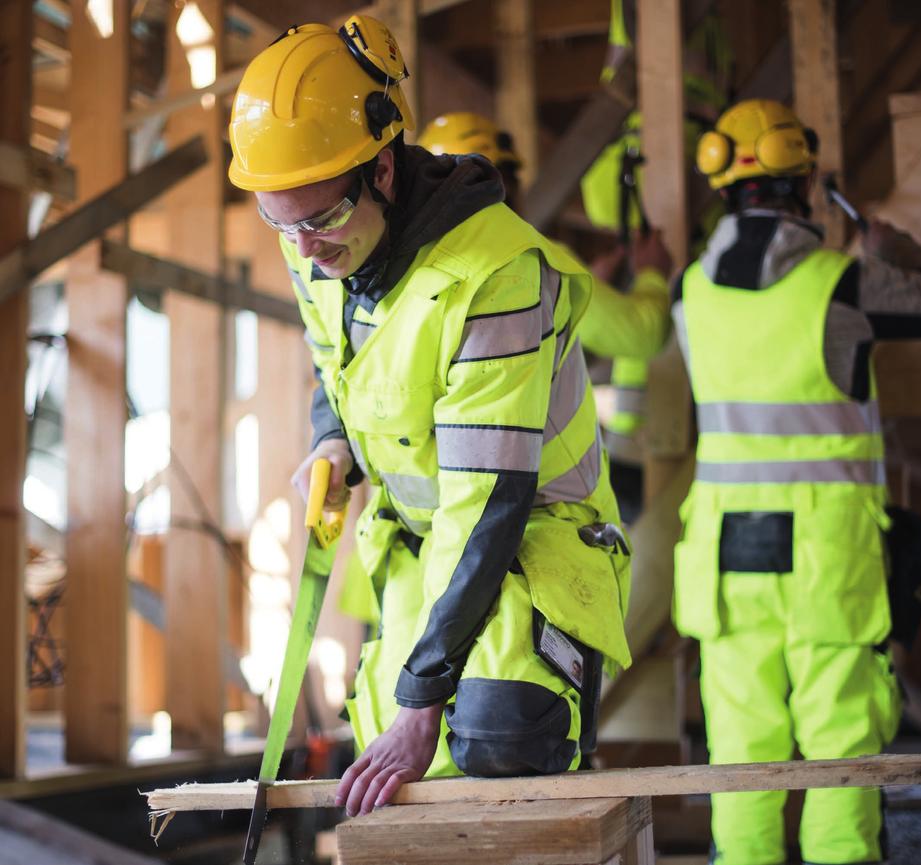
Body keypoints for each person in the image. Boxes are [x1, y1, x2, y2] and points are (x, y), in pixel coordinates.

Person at [227, 18, 632, 816]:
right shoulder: (314, 226)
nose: (305, 249)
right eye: (282, 223)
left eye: (318, 221)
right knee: (396, 777)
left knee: (495, 736)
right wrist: (332, 440)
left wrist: (425, 700)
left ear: (380, 170)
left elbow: (489, 502)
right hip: (420, 554)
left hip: (532, 543)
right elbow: (331, 361)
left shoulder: (498, 276)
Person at [675, 98, 921, 865]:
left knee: (741, 755)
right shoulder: (844, 282)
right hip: (826, 559)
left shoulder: (689, 291)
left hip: (724, 562)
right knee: (842, 745)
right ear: (804, 184)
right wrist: (897, 247)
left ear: (724, 189)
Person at [419, 111, 673, 521]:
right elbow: (642, 335)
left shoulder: (416, 276)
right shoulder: (535, 262)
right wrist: (652, 275)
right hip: (537, 506)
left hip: (444, 507)